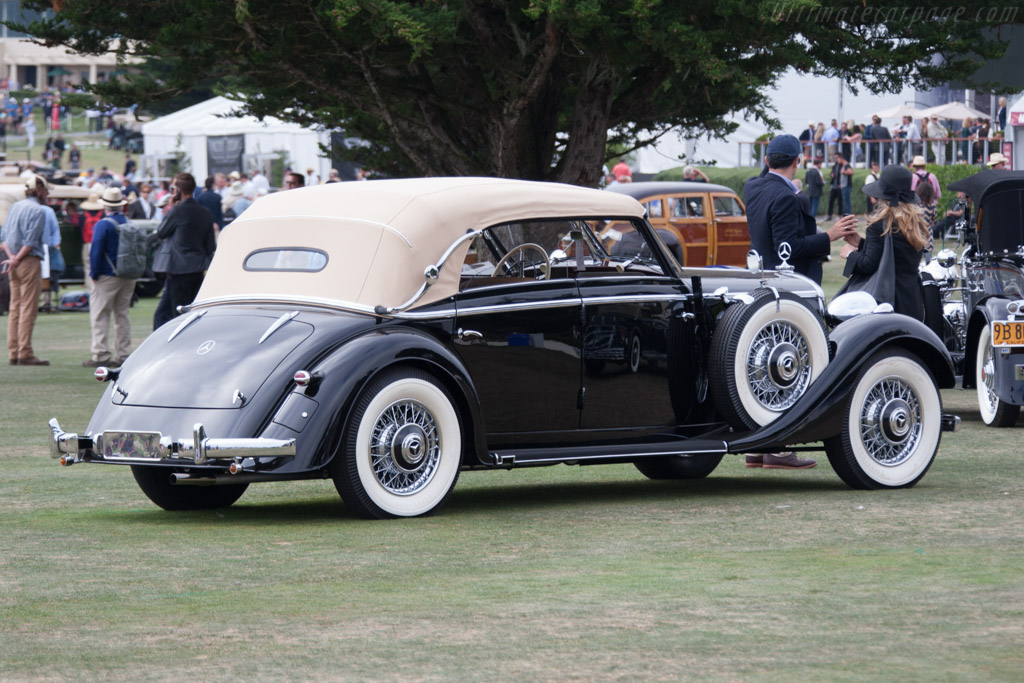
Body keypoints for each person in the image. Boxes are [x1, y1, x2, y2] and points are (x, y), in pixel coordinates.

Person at [743, 135, 858, 470]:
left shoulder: (754, 187)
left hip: (762, 283)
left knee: (764, 364)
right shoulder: (784, 196)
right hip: (789, 288)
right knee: (787, 365)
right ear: (797, 161)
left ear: (767, 161)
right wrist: (830, 236)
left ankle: (760, 445)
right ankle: (777, 450)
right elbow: (787, 251)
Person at [841, 164, 930, 320]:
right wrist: (861, 243)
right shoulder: (916, 224)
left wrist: (849, 254)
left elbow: (869, 264)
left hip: (887, 299)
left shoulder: (879, 225)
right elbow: (894, 253)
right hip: (912, 296)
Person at [153, 173, 216, 329]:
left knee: (173, 316)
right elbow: (210, 246)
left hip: (178, 270)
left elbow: (161, 232)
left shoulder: (177, 210)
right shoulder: (205, 212)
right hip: (198, 268)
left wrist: (172, 207)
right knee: (190, 314)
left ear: (179, 190)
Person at [0, 175, 51, 365]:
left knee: (15, 308)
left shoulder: (15, 207)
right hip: (27, 260)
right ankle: (25, 352)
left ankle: (13, 352)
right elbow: (30, 241)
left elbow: (4, 237)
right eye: (45, 191)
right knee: (28, 308)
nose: (47, 194)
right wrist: (18, 258)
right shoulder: (38, 210)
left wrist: (11, 258)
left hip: (12, 259)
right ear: (38, 191)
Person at [84, 187, 136, 367]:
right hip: (128, 274)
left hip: (107, 274)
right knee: (122, 315)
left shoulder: (103, 224)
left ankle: (100, 354)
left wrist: (94, 273)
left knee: (100, 315)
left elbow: (96, 250)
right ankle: (123, 354)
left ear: (105, 205)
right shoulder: (129, 223)